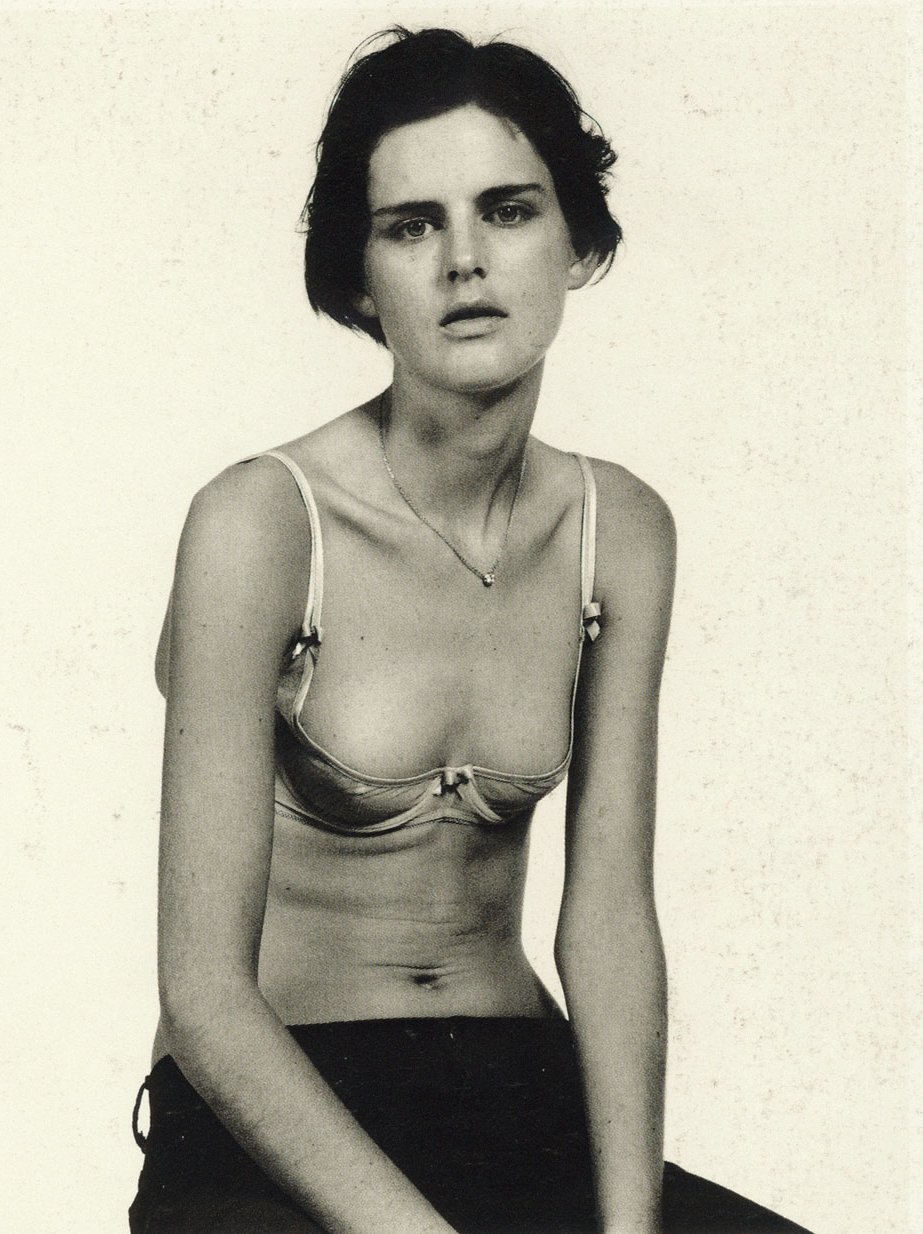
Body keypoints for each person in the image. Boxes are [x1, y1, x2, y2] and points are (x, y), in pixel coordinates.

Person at [129, 27, 815, 1234]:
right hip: (273, 1119)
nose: (463, 262)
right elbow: (203, 996)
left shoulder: (618, 529)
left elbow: (608, 922)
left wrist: (629, 1227)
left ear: (576, 243)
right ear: (359, 279)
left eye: (507, 210)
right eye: (411, 226)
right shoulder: (262, 522)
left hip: (516, 1096)